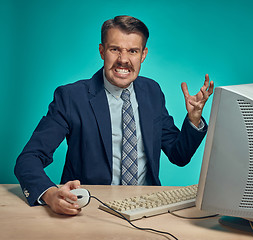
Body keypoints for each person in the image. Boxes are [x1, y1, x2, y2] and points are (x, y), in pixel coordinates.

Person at [14, 15, 214, 215]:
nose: (123, 60)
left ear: (143, 54)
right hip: (89, 210)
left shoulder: (152, 91)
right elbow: (29, 159)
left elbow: (179, 155)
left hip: (147, 208)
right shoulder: (71, 97)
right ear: (102, 51)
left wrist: (194, 118)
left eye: (133, 51)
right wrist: (50, 194)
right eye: (115, 49)